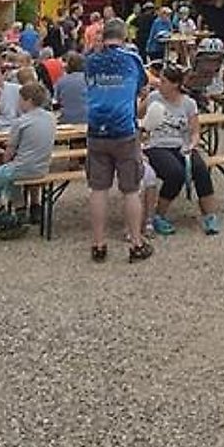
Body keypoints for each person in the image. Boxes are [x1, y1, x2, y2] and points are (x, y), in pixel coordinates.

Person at [83, 17, 152, 264]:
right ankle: (136, 243)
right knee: (131, 189)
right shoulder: (131, 59)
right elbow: (142, 86)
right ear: (124, 36)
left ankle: (98, 244)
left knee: (98, 189)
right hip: (123, 129)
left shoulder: (90, 61)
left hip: (96, 129)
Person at [142, 66, 220, 236]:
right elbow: (137, 115)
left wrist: (192, 144)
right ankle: (159, 215)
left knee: (200, 169)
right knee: (175, 173)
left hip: (181, 145)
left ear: (175, 84)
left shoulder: (188, 103)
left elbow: (195, 131)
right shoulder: (153, 98)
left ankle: (209, 215)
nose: (159, 84)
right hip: (157, 145)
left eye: (163, 81)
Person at [0, 81, 56, 238]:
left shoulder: (21, 122)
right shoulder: (51, 118)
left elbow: (8, 155)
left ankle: (6, 218)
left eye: (20, 100)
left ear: (28, 101)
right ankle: (21, 212)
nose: (18, 103)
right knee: (10, 179)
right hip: (42, 167)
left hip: (22, 168)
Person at [52, 52, 89, 126]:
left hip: (67, 120)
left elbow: (56, 101)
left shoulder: (61, 81)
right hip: (86, 118)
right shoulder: (89, 79)